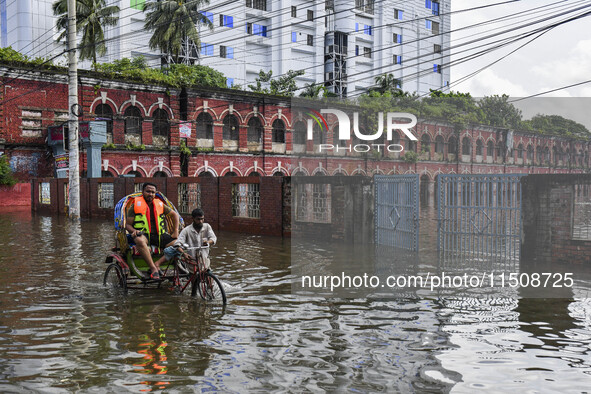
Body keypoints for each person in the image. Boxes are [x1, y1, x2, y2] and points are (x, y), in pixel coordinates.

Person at [125, 182, 180, 279]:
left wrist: (175, 231)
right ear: (143, 192)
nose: (150, 194)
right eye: (148, 191)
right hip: (144, 235)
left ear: (155, 193)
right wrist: (134, 231)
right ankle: (153, 268)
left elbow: (174, 215)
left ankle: (158, 263)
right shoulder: (135, 205)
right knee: (139, 240)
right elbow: (128, 225)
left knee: (179, 244)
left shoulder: (160, 204)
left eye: (153, 192)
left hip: (160, 236)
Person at [154, 208, 216, 272]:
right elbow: (178, 243)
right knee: (194, 279)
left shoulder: (207, 227)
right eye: (198, 219)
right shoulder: (187, 230)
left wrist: (208, 242)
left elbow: (213, 238)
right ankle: (157, 264)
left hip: (204, 258)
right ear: (193, 219)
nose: (200, 221)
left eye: (202, 219)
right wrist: (184, 254)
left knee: (209, 277)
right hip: (191, 258)